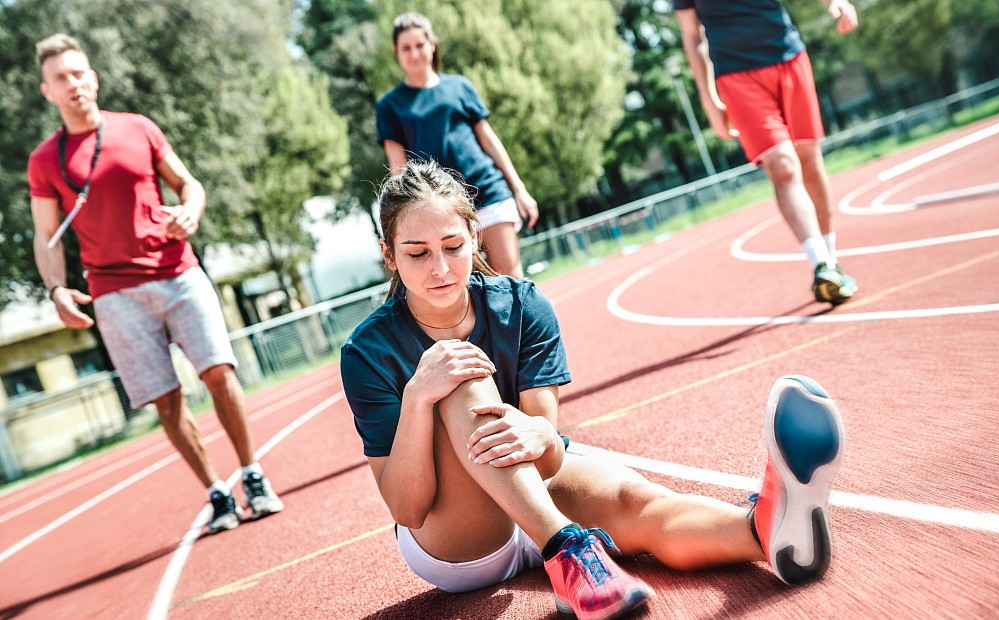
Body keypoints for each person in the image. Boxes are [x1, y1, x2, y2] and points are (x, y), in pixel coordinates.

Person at [340, 161, 847, 619]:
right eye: (417, 253)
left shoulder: (522, 305)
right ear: (389, 255)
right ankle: (566, 550)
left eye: (453, 246)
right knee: (455, 370)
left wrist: (539, 433)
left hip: (535, 483)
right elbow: (407, 510)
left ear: (475, 236)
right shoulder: (368, 351)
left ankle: (767, 531)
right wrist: (419, 396)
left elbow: (547, 456)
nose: (440, 268)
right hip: (459, 542)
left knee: (637, 501)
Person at [28, 34, 283, 535]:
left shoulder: (137, 127)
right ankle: (216, 492)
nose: (72, 83)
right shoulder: (44, 161)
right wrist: (56, 289)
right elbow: (45, 235)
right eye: (60, 78)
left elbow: (189, 184)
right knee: (166, 400)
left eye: (78, 73)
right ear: (47, 91)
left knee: (218, 372)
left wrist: (190, 211)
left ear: (93, 78)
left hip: (178, 272)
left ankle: (252, 474)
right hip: (113, 293)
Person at [674, 0, 860, 305]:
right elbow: (692, 37)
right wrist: (709, 101)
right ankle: (821, 265)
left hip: (788, 56)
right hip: (736, 77)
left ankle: (832, 261)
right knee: (783, 167)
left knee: (809, 163)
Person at [375, 12, 539, 279]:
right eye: (406, 48)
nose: (414, 53)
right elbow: (398, 168)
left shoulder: (460, 87)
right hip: (439, 208)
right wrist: (401, 219)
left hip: (488, 193)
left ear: (432, 44)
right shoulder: (389, 105)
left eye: (419, 45)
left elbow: (489, 141)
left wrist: (520, 189)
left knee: (510, 279)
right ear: (396, 52)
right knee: (463, 287)